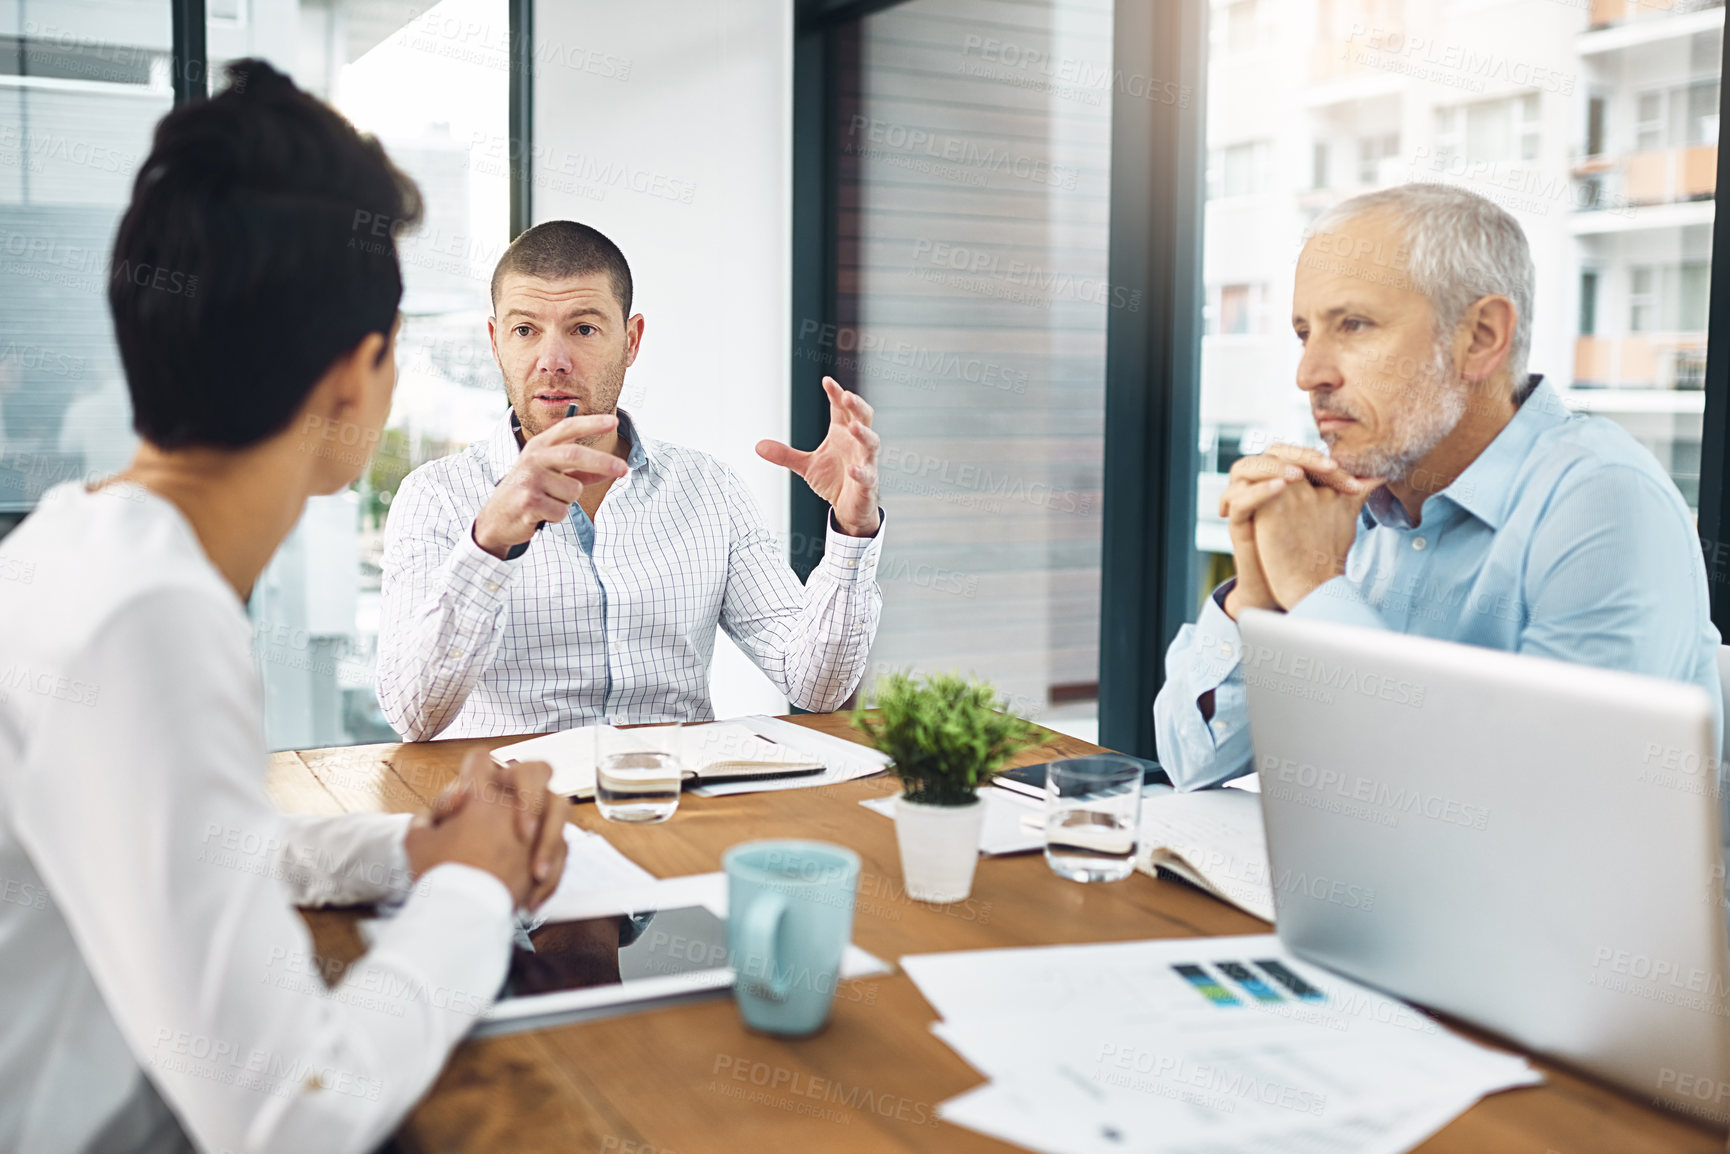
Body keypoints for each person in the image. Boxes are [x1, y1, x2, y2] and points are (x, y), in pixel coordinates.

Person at [0, 60, 571, 1154]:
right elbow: (292, 1119)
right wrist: (473, 892)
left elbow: (195, 842)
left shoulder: (80, 541)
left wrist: (409, 850)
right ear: (356, 378)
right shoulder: (147, 618)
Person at [1154, 182, 1722, 791]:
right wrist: (1258, 600)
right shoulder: (1350, 505)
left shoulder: (1605, 499)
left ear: (1479, 337)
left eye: (1353, 324)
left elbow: (1555, 805)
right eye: (1303, 333)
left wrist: (1319, 588)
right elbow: (1192, 761)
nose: (1308, 373)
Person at [375, 221, 885, 741]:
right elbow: (415, 718)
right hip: (516, 809)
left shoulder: (709, 489)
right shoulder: (434, 497)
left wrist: (852, 528)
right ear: (495, 340)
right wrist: (489, 542)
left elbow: (818, 687)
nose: (552, 362)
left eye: (583, 329)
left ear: (631, 341)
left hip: (678, 804)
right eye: (525, 330)